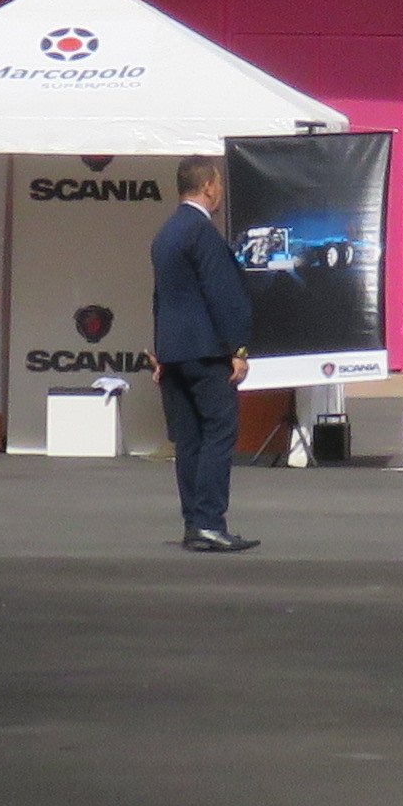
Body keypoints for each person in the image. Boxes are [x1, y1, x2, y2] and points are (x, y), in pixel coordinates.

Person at [147, 157, 258, 554]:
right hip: (207, 351)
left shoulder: (166, 234)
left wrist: (161, 352)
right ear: (209, 186)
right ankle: (210, 522)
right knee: (218, 434)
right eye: (220, 185)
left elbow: (161, 299)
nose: (221, 192)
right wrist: (239, 349)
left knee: (190, 440)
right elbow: (224, 296)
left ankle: (195, 523)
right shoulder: (201, 232)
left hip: (174, 353)